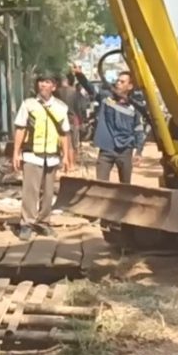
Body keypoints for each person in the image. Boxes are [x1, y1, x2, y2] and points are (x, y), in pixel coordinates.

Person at [12, 74, 73, 241]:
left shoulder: (61, 107)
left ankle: (43, 222)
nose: (43, 85)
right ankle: (27, 224)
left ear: (53, 86)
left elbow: (64, 133)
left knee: (48, 193)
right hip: (32, 155)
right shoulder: (28, 105)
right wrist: (16, 153)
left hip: (52, 156)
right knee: (29, 191)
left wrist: (67, 156)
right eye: (41, 82)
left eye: (47, 82)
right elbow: (20, 129)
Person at [74, 66, 145, 185]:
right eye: (118, 80)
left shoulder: (135, 107)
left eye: (122, 82)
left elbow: (139, 130)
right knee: (101, 185)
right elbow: (90, 88)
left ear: (130, 86)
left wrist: (138, 151)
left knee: (125, 187)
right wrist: (80, 75)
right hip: (106, 149)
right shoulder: (106, 98)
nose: (118, 83)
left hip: (125, 150)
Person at [56, 74, 89, 157]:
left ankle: (65, 162)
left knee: (64, 142)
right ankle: (73, 164)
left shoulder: (56, 92)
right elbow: (81, 108)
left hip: (60, 120)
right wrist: (82, 121)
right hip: (74, 120)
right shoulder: (75, 92)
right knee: (74, 144)